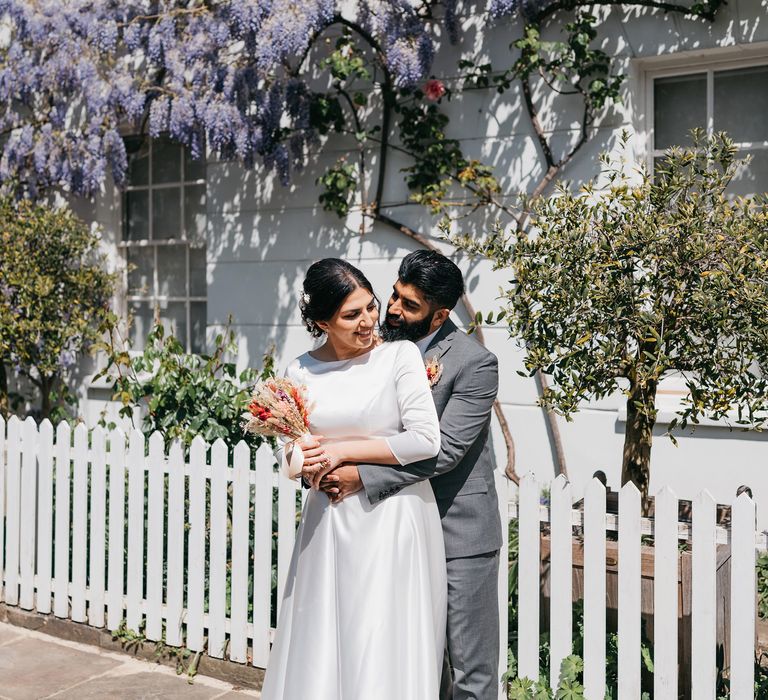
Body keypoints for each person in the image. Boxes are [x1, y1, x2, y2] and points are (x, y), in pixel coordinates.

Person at [260, 258, 447, 700]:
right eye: (351, 315)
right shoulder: (299, 370)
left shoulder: (398, 356)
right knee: (324, 631)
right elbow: (287, 448)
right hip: (327, 521)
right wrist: (301, 464)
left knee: (379, 634)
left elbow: (425, 440)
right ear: (322, 321)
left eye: (370, 307)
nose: (368, 322)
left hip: (391, 520)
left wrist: (342, 451)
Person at [321, 250, 503, 700]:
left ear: (441, 314)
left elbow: (449, 450)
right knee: (414, 660)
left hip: (457, 529)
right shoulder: (375, 349)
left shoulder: (474, 362)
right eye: (395, 296)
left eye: (410, 305)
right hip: (394, 529)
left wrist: (363, 477)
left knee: (469, 670)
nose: (393, 311)